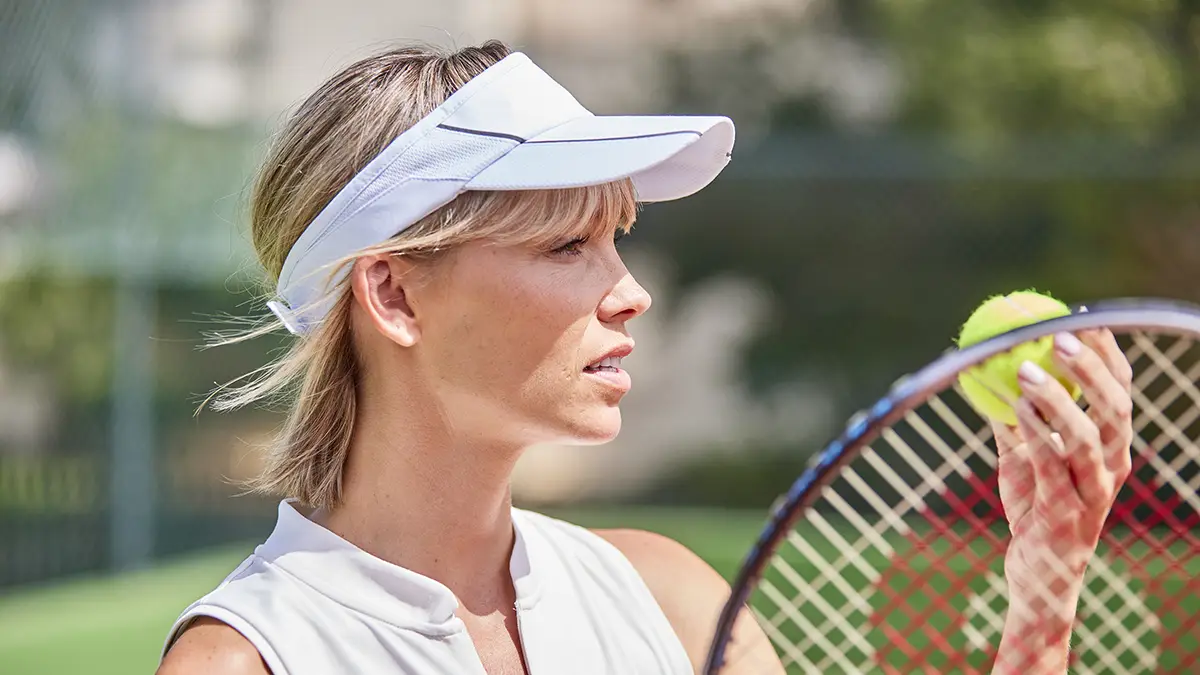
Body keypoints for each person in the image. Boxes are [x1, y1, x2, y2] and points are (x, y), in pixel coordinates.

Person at [156, 40, 1132, 675]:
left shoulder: (668, 598)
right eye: (564, 247)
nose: (630, 291)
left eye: (618, 237)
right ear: (395, 294)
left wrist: (1046, 586)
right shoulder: (250, 657)